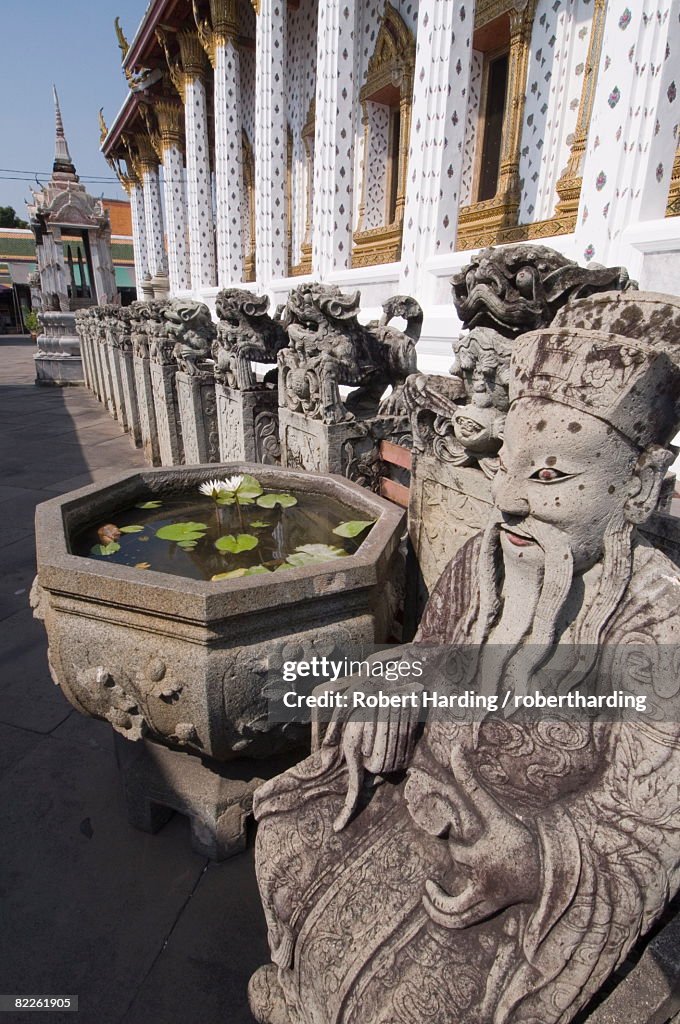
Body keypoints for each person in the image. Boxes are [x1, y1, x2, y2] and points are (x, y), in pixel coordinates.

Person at [249, 292, 680, 1024]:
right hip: (426, 790)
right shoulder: (484, 563)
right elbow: (431, 654)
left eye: (548, 478)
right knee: (288, 836)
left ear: (636, 487)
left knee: (412, 1000)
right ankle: (300, 994)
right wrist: (394, 681)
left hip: (521, 855)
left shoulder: (658, 622)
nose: (506, 502)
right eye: (505, 467)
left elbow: (647, 825)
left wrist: (536, 859)